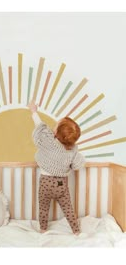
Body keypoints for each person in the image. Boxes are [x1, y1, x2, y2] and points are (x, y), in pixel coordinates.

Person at [27, 101, 85, 235]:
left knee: (43, 208)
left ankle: (43, 229)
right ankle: (76, 231)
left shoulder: (49, 142)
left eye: (57, 124)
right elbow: (77, 164)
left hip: (45, 183)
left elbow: (40, 127)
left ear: (56, 131)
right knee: (68, 208)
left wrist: (34, 111)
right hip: (61, 186)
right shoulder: (72, 150)